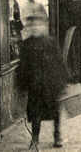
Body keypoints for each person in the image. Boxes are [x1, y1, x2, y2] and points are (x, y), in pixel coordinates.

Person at [18, 10, 69, 148]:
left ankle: (57, 135)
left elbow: (59, 62)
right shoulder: (27, 45)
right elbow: (23, 66)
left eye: (38, 24)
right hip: (35, 85)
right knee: (36, 113)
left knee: (55, 111)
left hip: (51, 84)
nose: (35, 27)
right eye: (31, 25)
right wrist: (22, 85)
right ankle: (35, 138)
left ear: (43, 26)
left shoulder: (50, 42)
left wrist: (64, 80)